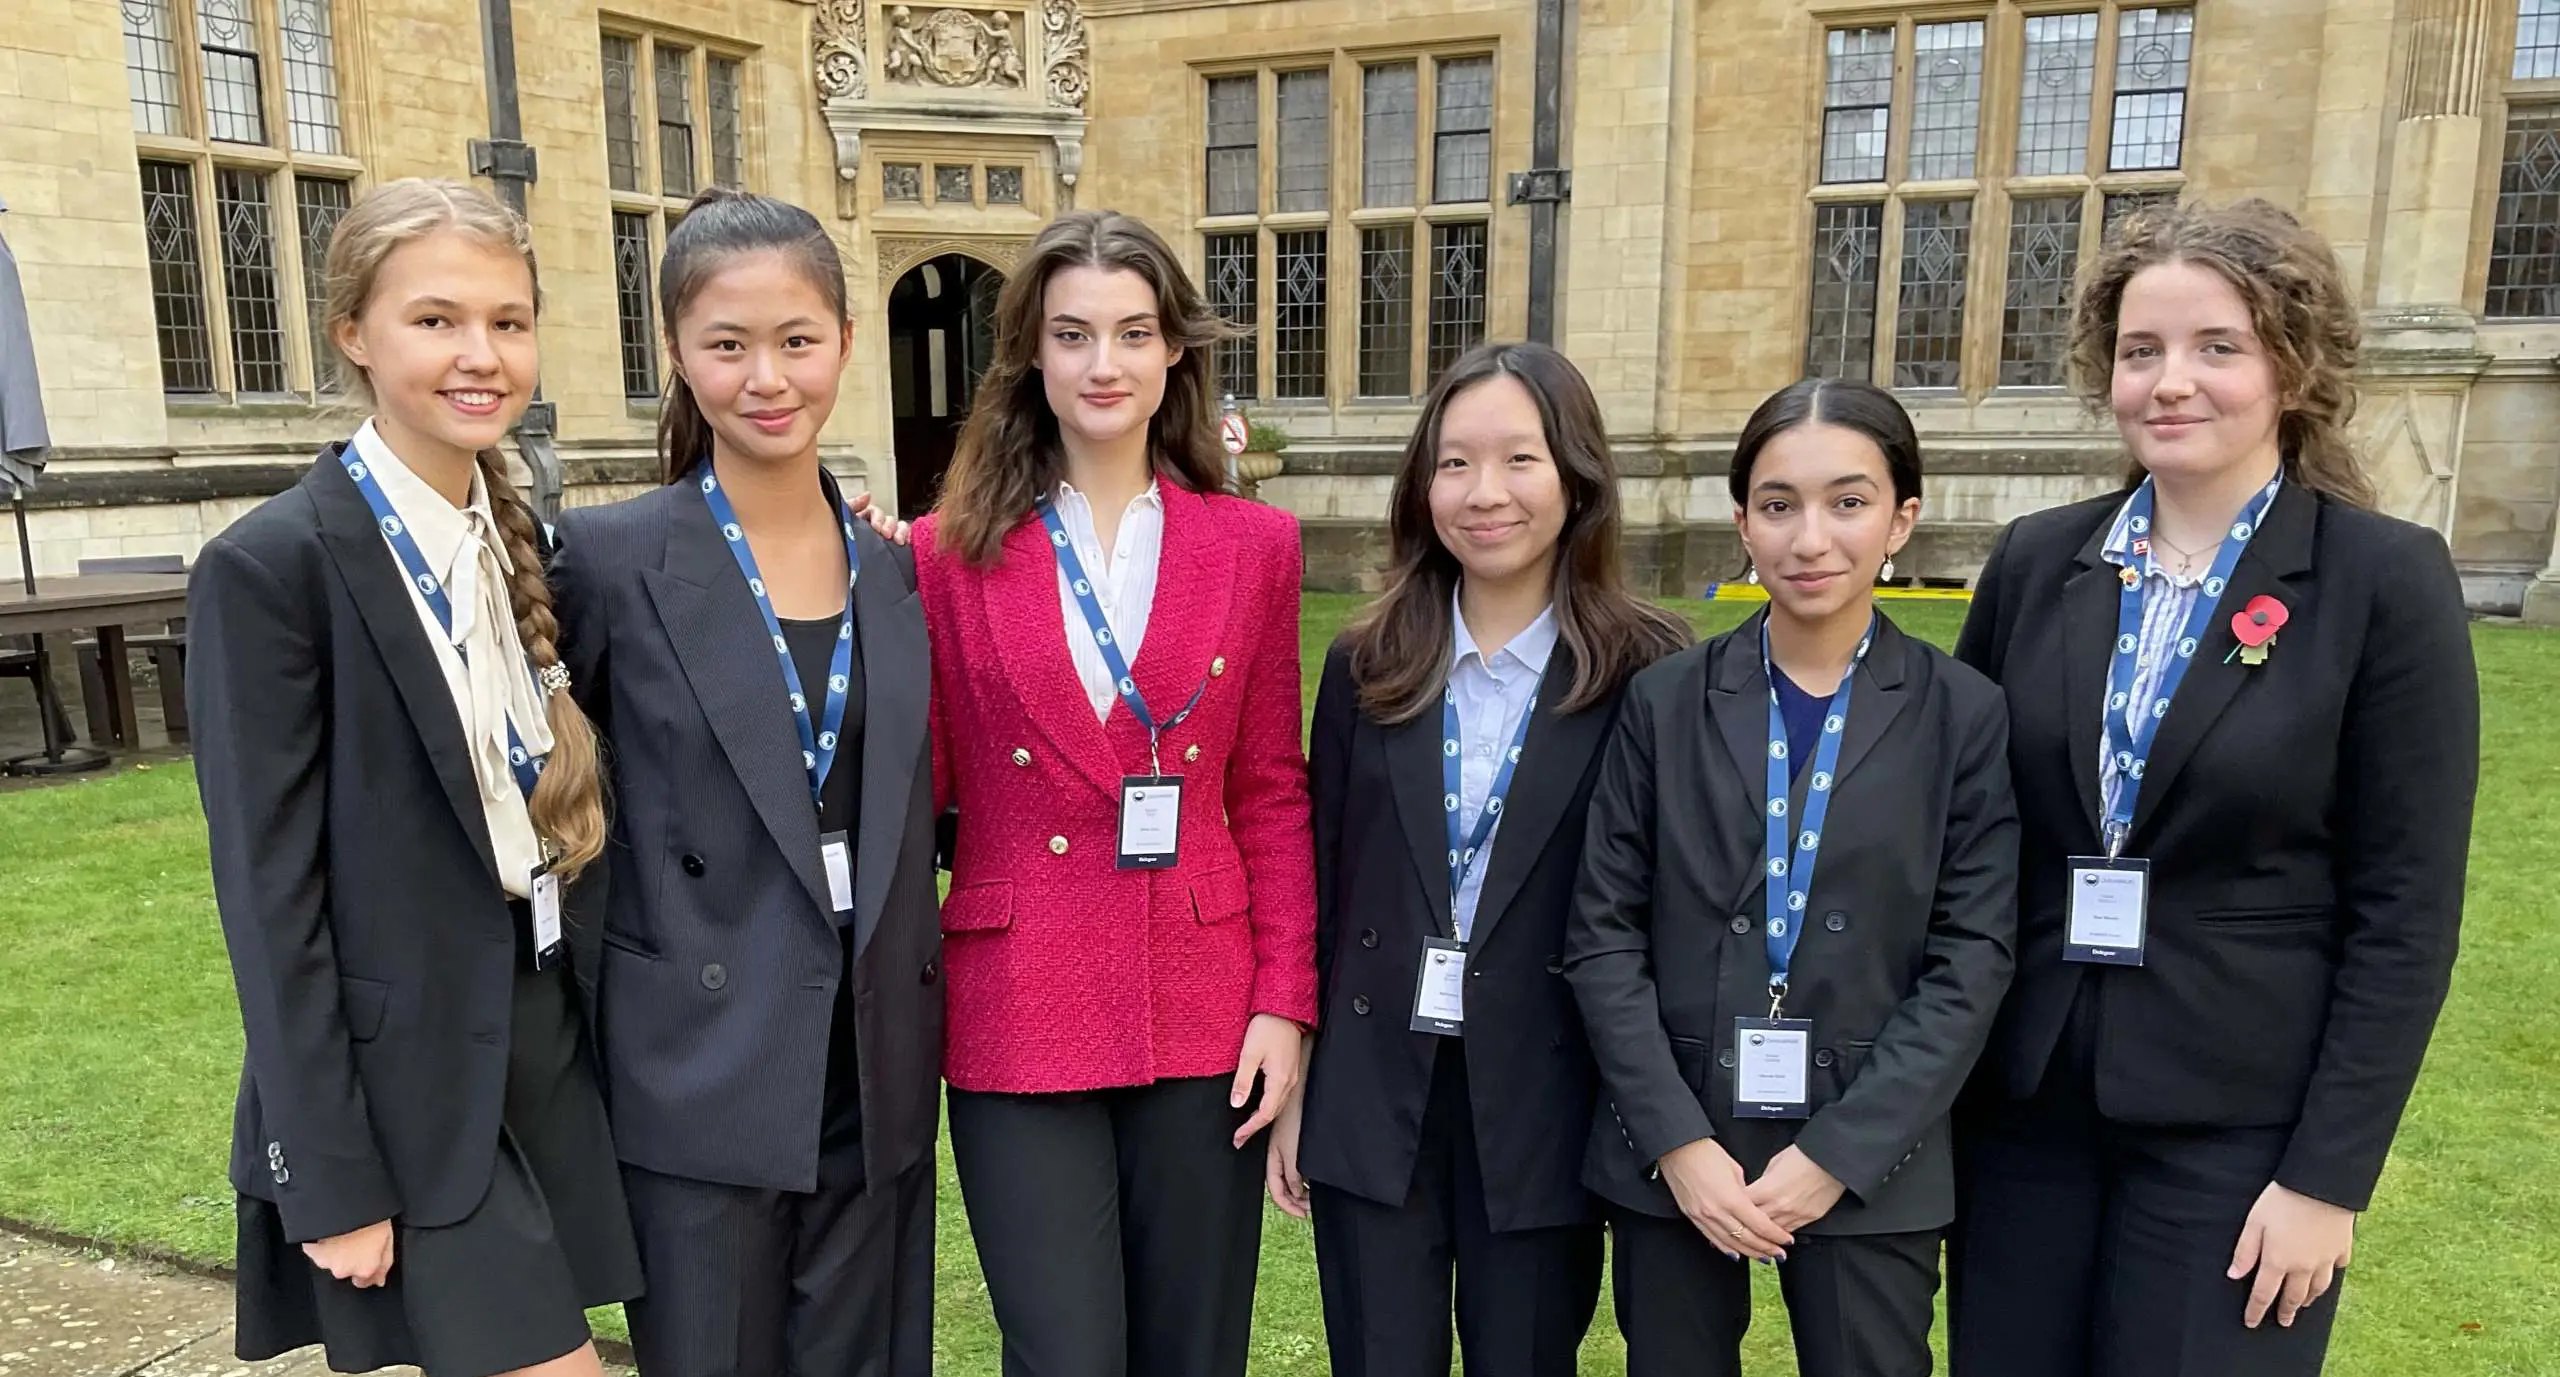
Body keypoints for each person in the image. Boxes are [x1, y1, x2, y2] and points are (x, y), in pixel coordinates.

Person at [1946, 199, 2479, 1377]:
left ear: (2291, 365)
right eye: (2141, 352)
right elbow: (1965, 841)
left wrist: (2326, 1180)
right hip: (2022, 1113)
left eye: (2215, 347)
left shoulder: (2381, 581)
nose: (2169, 383)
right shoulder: (2039, 563)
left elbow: (2405, 914)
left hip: (2240, 1141)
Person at [189, 178, 640, 1377]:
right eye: (436, 321)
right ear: (354, 333)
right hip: (406, 1088)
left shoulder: (518, 539)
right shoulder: (271, 567)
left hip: (539, 1042)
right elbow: (268, 900)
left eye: (507, 321)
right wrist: (328, 1171)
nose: (480, 356)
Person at [910, 208, 1316, 1377]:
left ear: (1173, 351)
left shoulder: (1252, 546)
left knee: (1194, 1352)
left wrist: (1284, 1003)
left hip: (1203, 1001)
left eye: (1133, 333)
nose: (1104, 364)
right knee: (1064, 1354)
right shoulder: (944, 555)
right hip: (1017, 1001)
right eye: (1073, 333)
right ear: (1031, 355)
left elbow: (1270, 792)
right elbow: (920, 785)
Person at [549, 188, 940, 1377]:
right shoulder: (610, 561)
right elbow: (554, 814)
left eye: (796, 340)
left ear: (844, 343)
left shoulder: (895, 570)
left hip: (870, 1069)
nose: (766, 377)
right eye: (728, 345)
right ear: (676, 353)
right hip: (697, 1068)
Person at [1565, 379, 2018, 1377]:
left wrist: (1839, 1156)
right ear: (1741, 523)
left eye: (1847, 503)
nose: (1810, 538)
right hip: (1679, 1141)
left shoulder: (1963, 715)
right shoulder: (1664, 701)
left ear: (1901, 518)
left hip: (1870, 1146)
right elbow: (1601, 933)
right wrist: (1676, 1142)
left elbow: (1972, 958)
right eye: (1778, 506)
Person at [1277, 341, 1689, 1377]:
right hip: (1376, 1091)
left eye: (1518, 460)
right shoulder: (1364, 662)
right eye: (1453, 463)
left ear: (1576, 477)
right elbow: (1319, 878)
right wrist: (1303, 1087)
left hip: (1547, 1097)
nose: (1482, 493)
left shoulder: (1653, 671)